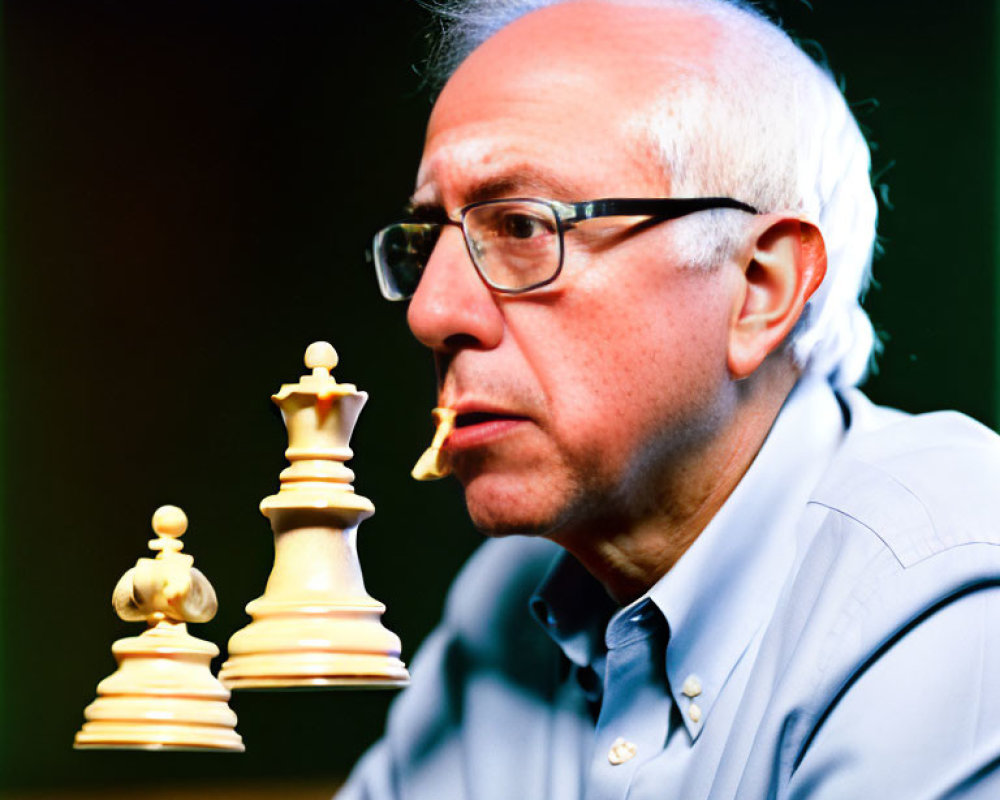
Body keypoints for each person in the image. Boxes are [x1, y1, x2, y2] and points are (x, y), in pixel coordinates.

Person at [340, 1, 1000, 797]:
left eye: (521, 225)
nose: (431, 312)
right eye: (427, 239)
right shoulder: (503, 600)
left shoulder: (950, 584)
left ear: (760, 288)